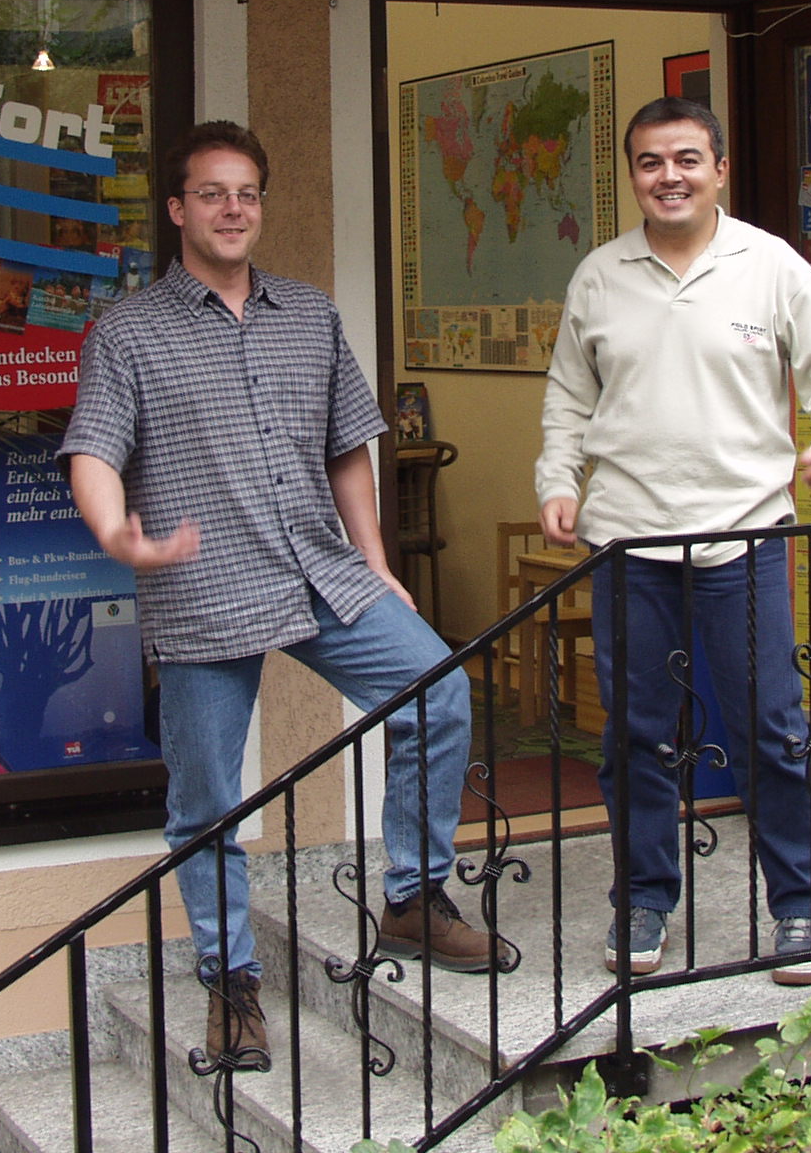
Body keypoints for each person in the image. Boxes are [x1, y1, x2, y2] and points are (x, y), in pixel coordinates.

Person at [63, 120, 514, 1074]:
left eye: (248, 194)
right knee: (206, 804)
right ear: (179, 210)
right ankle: (231, 988)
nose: (233, 210)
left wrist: (377, 556)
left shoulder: (310, 315)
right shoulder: (129, 332)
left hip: (318, 566)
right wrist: (115, 533)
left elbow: (349, 441)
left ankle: (413, 899)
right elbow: (95, 449)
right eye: (213, 194)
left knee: (436, 685)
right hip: (202, 586)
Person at [535, 96, 811, 986]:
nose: (669, 176)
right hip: (627, 547)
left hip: (745, 538)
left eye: (687, 159)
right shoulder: (600, 277)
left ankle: (800, 907)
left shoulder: (772, 266)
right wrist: (557, 482)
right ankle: (644, 901)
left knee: (771, 731)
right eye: (650, 162)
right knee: (635, 738)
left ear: (718, 168)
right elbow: (569, 397)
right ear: (634, 178)